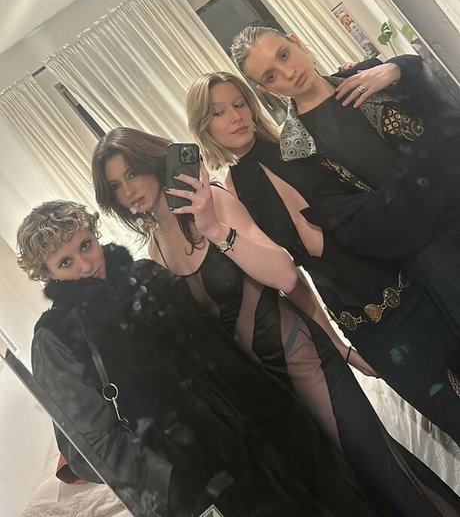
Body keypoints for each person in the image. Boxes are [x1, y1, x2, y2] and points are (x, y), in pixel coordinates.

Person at [91, 128, 460, 516]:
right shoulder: (155, 250)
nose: (128, 190)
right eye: (116, 186)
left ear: (152, 162)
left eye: (132, 174)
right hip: (260, 391)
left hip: (301, 357)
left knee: (377, 470)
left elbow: (285, 275)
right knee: (346, 487)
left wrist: (214, 229)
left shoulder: (215, 203)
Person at [17, 200, 383, 517]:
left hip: (274, 430)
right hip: (203, 479)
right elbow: (92, 447)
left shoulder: (145, 275)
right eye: (65, 262)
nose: (85, 265)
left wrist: (281, 407)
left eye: (86, 245)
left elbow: (220, 346)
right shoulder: (55, 337)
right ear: (47, 274)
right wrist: (176, 485)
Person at [186, 70, 460, 448]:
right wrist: (339, 346)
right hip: (365, 322)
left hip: (415, 283)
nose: (236, 117)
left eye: (239, 104)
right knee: (451, 418)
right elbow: (290, 281)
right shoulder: (229, 195)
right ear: (204, 126)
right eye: (219, 112)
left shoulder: (299, 143)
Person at [228, 26, 460, 338]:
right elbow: (362, 222)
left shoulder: (370, 75)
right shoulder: (298, 150)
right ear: (265, 88)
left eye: (284, 54)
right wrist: (435, 170)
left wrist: (400, 68)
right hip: (430, 248)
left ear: (295, 41)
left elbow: (445, 108)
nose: (288, 72)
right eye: (271, 76)